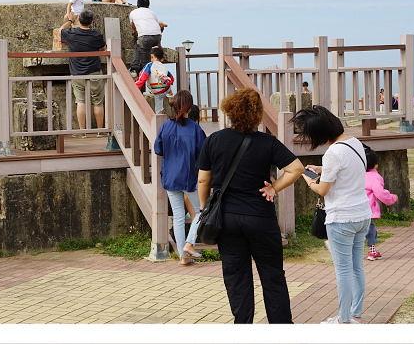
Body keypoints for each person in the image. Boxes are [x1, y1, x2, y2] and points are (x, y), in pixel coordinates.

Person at [197, 88, 304, 324]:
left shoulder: (214, 140)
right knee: (273, 275)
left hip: (227, 220)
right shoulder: (267, 142)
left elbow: (203, 180)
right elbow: (296, 168)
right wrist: (274, 188)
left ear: (230, 110)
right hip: (260, 218)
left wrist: (206, 209)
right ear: (257, 115)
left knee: (236, 276)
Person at [292, 105, 372, 324]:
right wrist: (321, 169)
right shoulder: (354, 143)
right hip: (362, 215)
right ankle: (355, 314)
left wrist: (309, 180)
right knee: (357, 267)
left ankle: (343, 320)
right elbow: (348, 169)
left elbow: (323, 190)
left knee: (343, 270)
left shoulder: (333, 153)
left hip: (342, 219)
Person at [153, 90, 205, 266]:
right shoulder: (195, 129)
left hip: (169, 177)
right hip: (188, 177)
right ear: (189, 107)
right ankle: (189, 246)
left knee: (178, 216)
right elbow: (202, 155)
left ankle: (183, 256)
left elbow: (158, 149)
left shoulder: (165, 126)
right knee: (201, 212)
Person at [60, 9, 107, 137]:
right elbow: (103, 48)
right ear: (91, 22)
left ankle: (82, 131)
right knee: (98, 102)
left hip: (77, 73)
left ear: (79, 20)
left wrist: (70, 20)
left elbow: (60, 31)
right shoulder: (96, 35)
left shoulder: (71, 33)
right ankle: (100, 131)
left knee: (80, 101)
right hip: (94, 72)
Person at [364, 147, 397, 261]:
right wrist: (392, 198)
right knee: (370, 230)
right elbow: (380, 193)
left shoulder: (355, 174)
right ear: (376, 165)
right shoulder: (375, 177)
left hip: (352, 208)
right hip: (367, 209)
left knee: (353, 231)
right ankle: (372, 251)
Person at [128, 0, 167, 77]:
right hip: (157, 37)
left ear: (137, 6)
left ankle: (135, 70)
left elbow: (132, 25)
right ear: (148, 6)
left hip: (145, 39)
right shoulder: (152, 13)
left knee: (145, 62)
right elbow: (156, 26)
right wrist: (159, 45)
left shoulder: (133, 13)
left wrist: (137, 33)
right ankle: (134, 68)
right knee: (138, 45)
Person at [135, 46, 174, 114]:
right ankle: (169, 91)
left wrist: (136, 87)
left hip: (157, 90)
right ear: (161, 59)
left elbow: (143, 76)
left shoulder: (149, 65)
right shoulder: (162, 66)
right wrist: (171, 83)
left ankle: (159, 115)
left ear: (152, 56)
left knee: (158, 106)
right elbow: (170, 76)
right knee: (166, 82)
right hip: (166, 86)